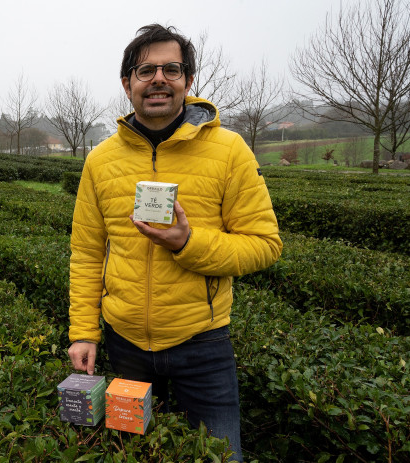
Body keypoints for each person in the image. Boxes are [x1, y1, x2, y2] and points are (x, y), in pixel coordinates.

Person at [67, 24, 282, 462]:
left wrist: (189, 243)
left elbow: (264, 244)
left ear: (187, 79)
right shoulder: (100, 160)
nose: (159, 79)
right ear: (127, 84)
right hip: (124, 343)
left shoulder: (230, 150)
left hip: (201, 346)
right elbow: (87, 254)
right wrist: (84, 333)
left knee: (220, 455)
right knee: (133, 453)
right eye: (145, 70)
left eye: (171, 69)